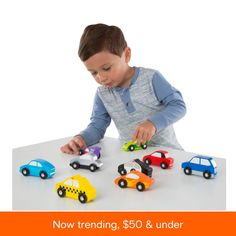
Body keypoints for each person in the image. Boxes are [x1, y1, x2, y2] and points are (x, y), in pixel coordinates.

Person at [61, 23, 186, 155]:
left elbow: (178, 106)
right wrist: (81, 139)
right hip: (132, 157)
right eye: (93, 73)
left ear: (126, 55)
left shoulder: (151, 78)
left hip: (168, 155)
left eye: (106, 68)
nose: (101, 78)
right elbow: (97, 127)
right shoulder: (102, 94)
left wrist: (153, 123)